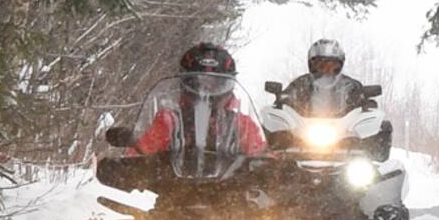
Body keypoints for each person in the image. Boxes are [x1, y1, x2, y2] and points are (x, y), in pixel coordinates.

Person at [130, 42, 267, 162]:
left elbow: (263, 159)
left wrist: (273, 166)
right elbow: (138, 155)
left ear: (229, 85)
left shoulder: (241, 125)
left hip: (233, 191)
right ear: (185, 84)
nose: (207, 91)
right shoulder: (168, 121)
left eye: (216, 84)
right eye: (198, 83)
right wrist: (132, 160)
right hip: (172, 189)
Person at [280, 38, 369, 117]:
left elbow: (364, 105)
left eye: (332, 66)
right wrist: (282, 100)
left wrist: (367, 104)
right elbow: (285, 100)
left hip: (345, 131)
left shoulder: (351, 86)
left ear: (340, 66)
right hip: (302, 130)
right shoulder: (300, 84)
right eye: (321, 65)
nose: (327, 70)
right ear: (311, 65)